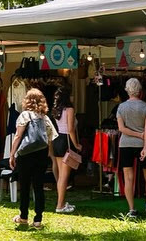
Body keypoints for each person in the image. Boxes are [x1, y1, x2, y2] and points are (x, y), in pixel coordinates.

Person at [9, 88, 58, 229]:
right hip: (41, 154)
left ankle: (23, 216)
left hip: (26, 154)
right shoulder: (45, 117)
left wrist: (12, 154)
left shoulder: (25, 115)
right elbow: (50, 138)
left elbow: (18, 136)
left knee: (24, 186)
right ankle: (38, 220)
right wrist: (49, 154)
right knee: (38, 186)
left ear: (27, 101)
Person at [117, 78, 146, 218]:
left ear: (127, 90)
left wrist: (136, 134)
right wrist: (145, 145)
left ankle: (131, 209)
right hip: (141, 144)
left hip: (125, 144)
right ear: (140, 91)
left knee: (128, 177)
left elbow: (121, 128)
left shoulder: (121, 107)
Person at [51, 86, 82, 214]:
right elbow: (70, 129)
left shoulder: (56, 110)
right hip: (66, 141)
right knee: (64, 175)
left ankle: (61, 202)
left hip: (57, 140)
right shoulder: (69, 109)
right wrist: (77, 144)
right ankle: (60, 205)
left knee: (61, 175)